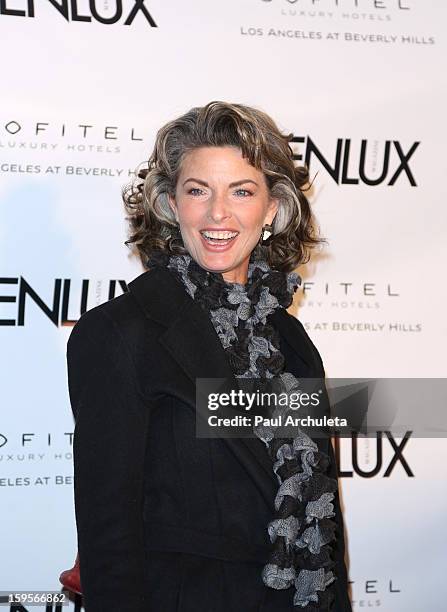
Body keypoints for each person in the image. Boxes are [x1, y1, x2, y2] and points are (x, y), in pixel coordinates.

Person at [67, 100, 352, 611]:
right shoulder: (121, 333)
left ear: (272, 210)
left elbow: (324, 520)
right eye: (198, 190)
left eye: (241, 191)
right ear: (171, 205)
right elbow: (108, 536)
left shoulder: (290, 340)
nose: (218, 213)